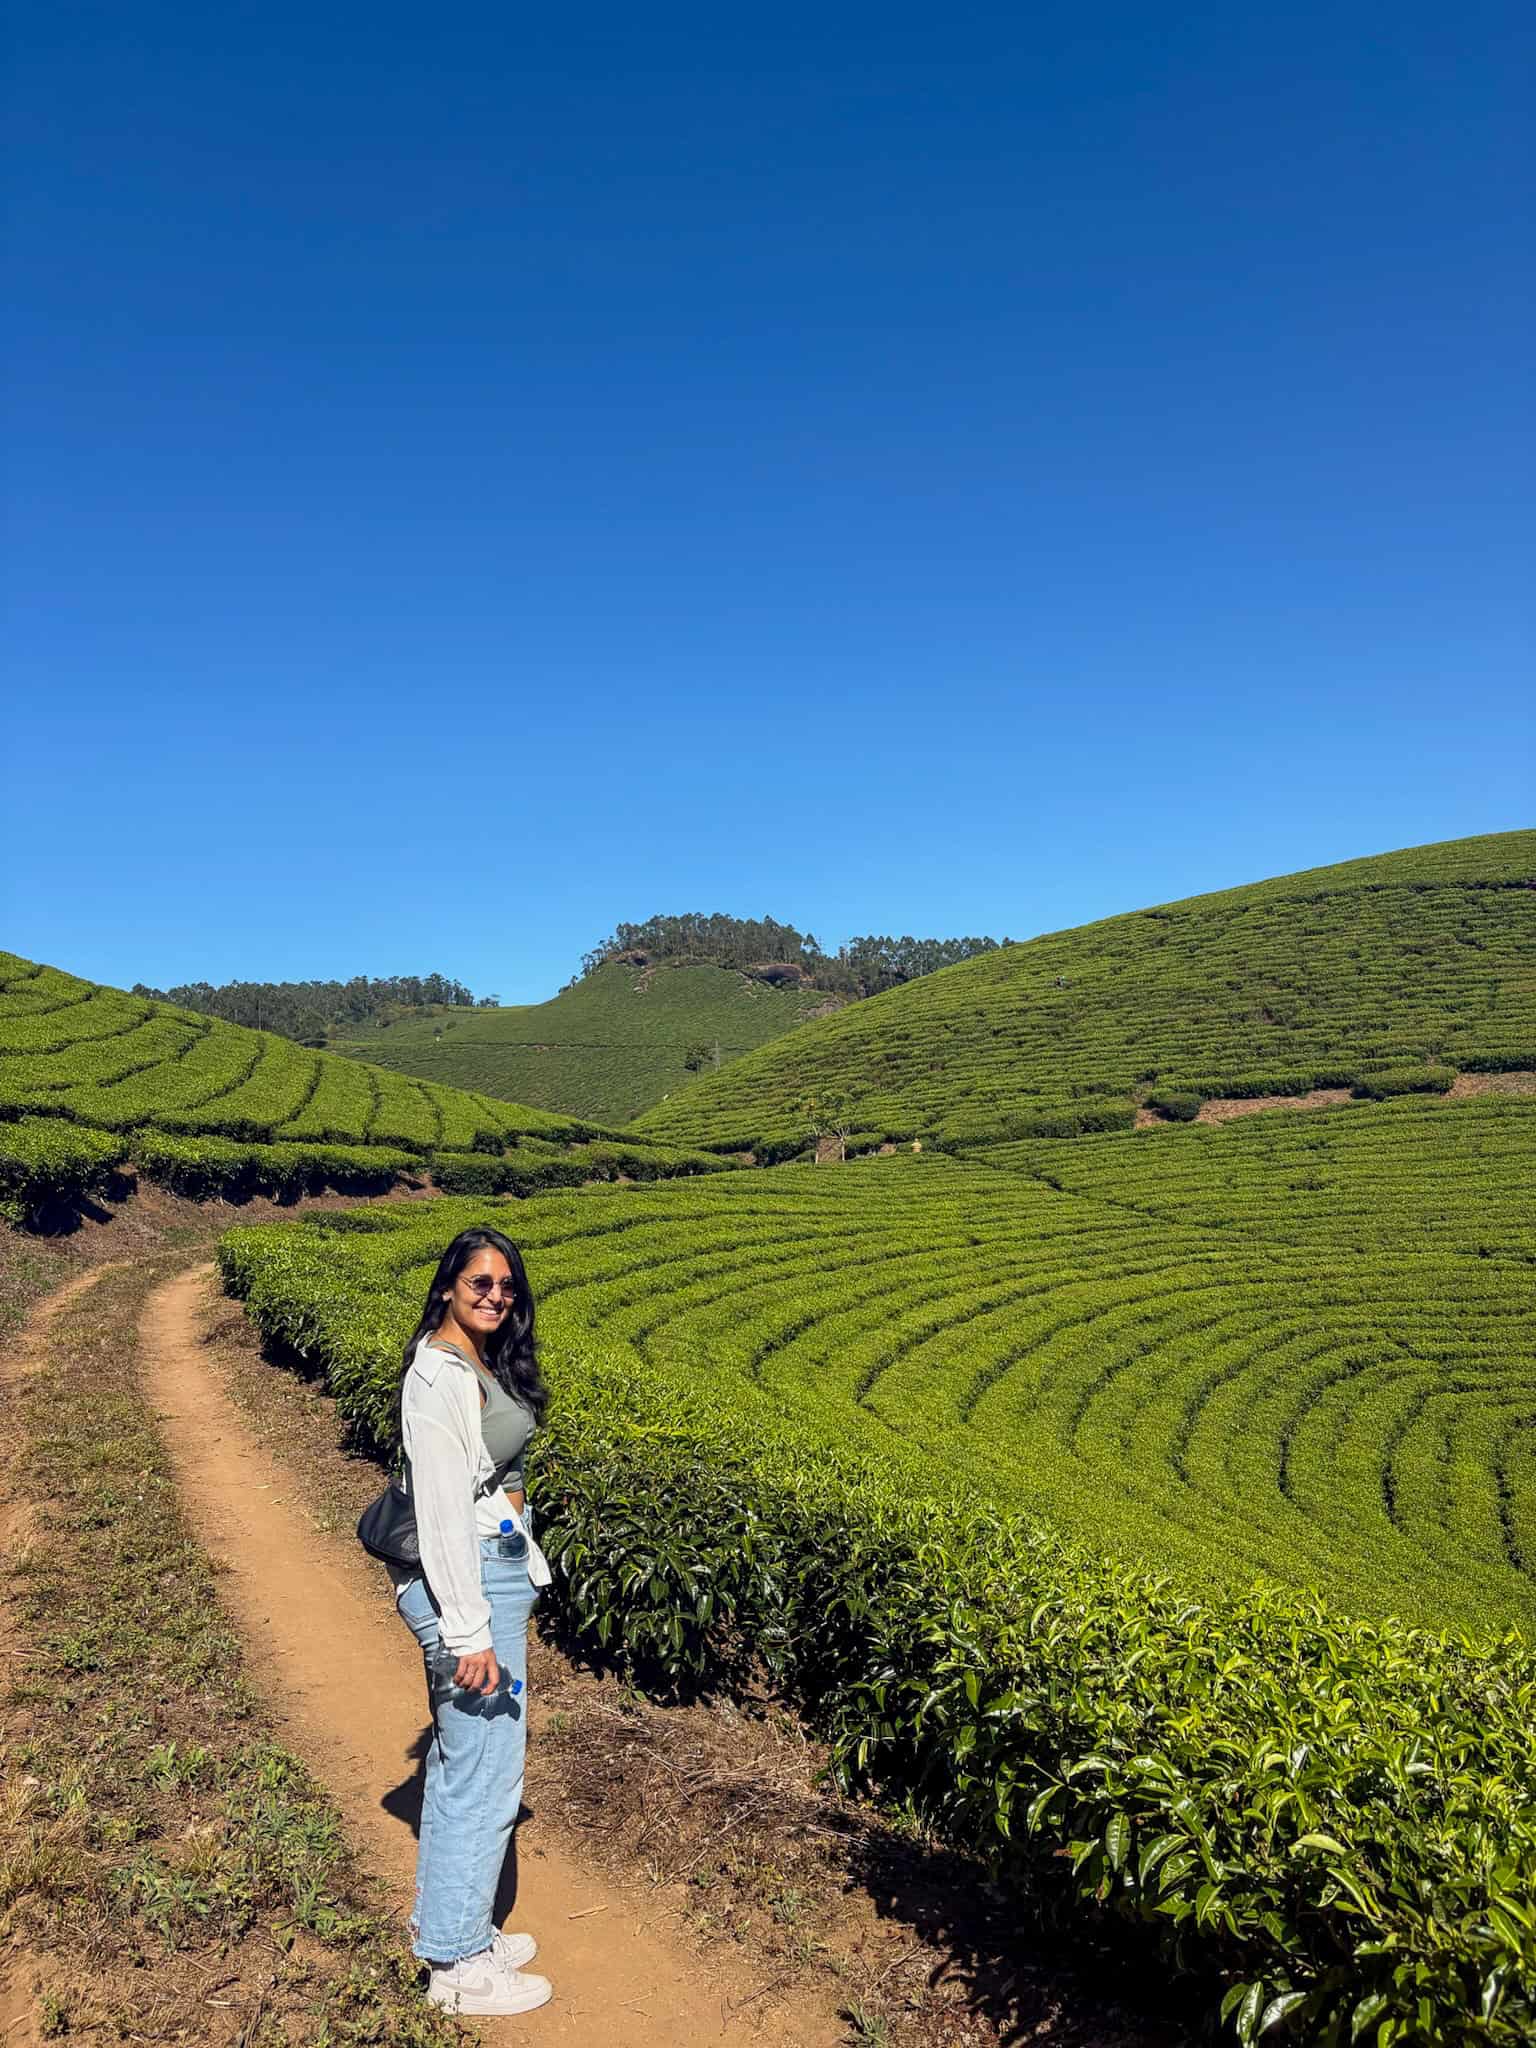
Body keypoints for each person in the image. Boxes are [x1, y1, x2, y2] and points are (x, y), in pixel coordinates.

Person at [390, 1226, 554, 2017]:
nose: (495, 1295)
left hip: (496, 1573)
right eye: (479, 1283)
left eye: (506, 1285)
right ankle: (454, 1967)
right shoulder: (438, 1375)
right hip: (470, 1590)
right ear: (449, 1285)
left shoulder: (479, 1361)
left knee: (482, 1765)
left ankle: (462, 1927)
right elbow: (443, 1513)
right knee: (478, 1773)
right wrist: (469, 1633)